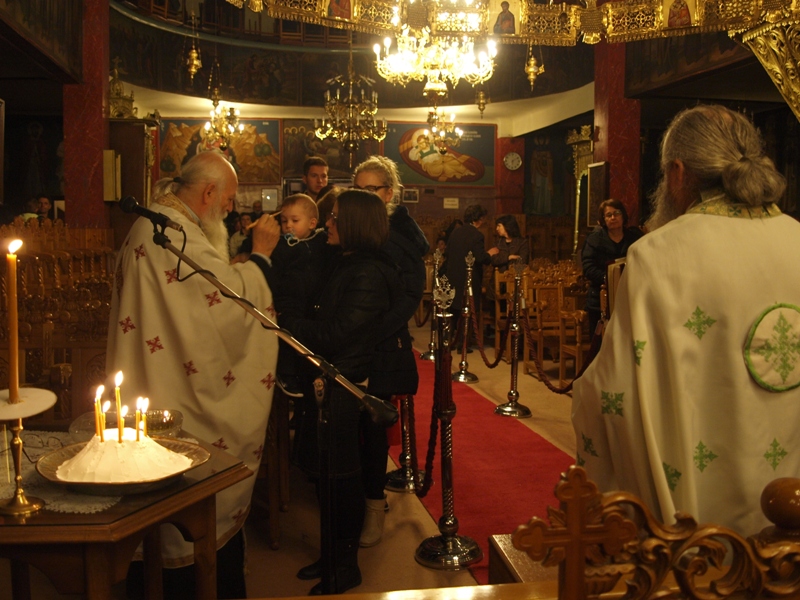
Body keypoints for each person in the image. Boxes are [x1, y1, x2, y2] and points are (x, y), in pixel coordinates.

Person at [572, 105, 800, 537]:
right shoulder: (797, 237)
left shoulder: (657, 254)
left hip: (699, 531)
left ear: (677, 172)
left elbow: (616, 392)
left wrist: (583, 393)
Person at [107, 150, 282, 599]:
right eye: (227, 200)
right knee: (184, 487)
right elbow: (226, 307)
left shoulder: (156, 224)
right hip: (176, 392)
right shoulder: (173, 233)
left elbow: (203, 292)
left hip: (153, 374)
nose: (229, 210)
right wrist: (261, 259)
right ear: (207, 193)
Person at [279, 190, 404, 594]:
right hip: (326, 382)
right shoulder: (345, 261)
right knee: (324, 477)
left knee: (341, 477)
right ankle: (330, 554)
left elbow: (336, 334)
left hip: (344, 384)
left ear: (355, 224)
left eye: (335, 217)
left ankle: (345, 566)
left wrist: (287, 323)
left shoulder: (368, 273)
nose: (328, 223)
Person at [352, 156, 427, 547]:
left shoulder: (401, 237)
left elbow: (409, 296)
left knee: (373, 427)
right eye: (359, 189)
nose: (365, 197)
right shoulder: (351, 228)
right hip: (349, 344)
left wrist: (373, 329)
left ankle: (374, 505)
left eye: (372, 189)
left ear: (389, 193)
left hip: (383, 344)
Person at [271, 193, 332, 395]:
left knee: (307, 342)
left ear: (312, 223)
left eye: (295, 220)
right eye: (284, 221)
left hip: (312, 300)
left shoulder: (322, 241)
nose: (288, 226)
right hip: (288, 299)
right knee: (288, 339)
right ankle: (286, 375)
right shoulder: (281, 246)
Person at [580, 199, 644, 336]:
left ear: (623, 216)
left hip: (630, 297)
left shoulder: (635, 238)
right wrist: (610, 278)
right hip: (599, 299)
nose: (613, 217)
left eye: (617, 213)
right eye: (609, 215)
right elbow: (588, 268)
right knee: (600, 343)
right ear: (603, 219)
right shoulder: (594, 239)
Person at [444, 204, 492, 326]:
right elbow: (481, 257)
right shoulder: (477, 235)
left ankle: (453, 335)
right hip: (468, 280)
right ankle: (465, 336)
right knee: (468, 314)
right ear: (478, 219)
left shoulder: (455, 233)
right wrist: (490, 254)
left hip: (453, 278)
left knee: (454, 313)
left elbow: (447, 253)